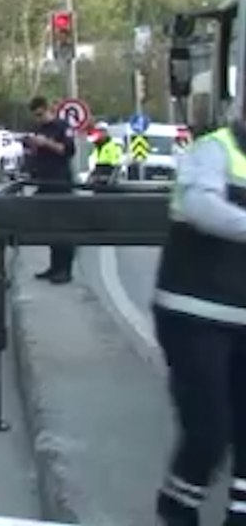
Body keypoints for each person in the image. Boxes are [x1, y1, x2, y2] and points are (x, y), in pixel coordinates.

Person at [150, 122, 246, 526]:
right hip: (195, 312)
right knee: (210, 428)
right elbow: (200, 208)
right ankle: (178, 505)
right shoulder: (214, 150)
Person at [23, 96, 77, 284]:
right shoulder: (39, 129)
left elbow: (68, 151)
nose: (38, 119)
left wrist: (47, 143)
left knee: (63, 226)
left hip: (60, 182)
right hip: (44, 182)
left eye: (40, 114)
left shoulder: (62, 127)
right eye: (35, 116)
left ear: (47, 109)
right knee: (49, 227)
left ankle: (65, 269)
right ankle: (54, 266)